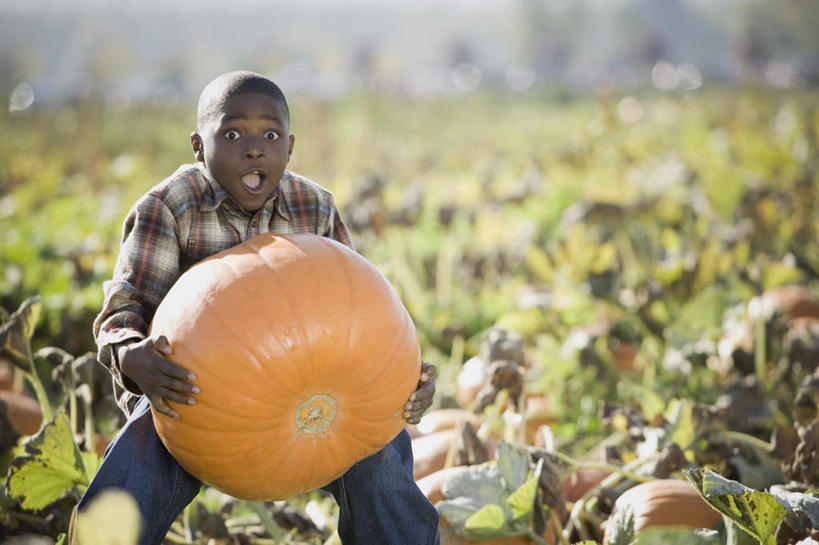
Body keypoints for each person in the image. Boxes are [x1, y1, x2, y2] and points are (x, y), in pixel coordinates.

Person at [77, 71, 439, 545]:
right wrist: (130, 355)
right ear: (198, 147)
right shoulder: (170, 207)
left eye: (270, 135)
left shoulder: (314, 206)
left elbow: (363, 311)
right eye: (232, 135)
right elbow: (124, 310)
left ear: (289, 148)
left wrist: (407, 376)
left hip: (322, 386)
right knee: (140, 464)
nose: (253, 149)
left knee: (381, 458)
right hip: (190, 392)